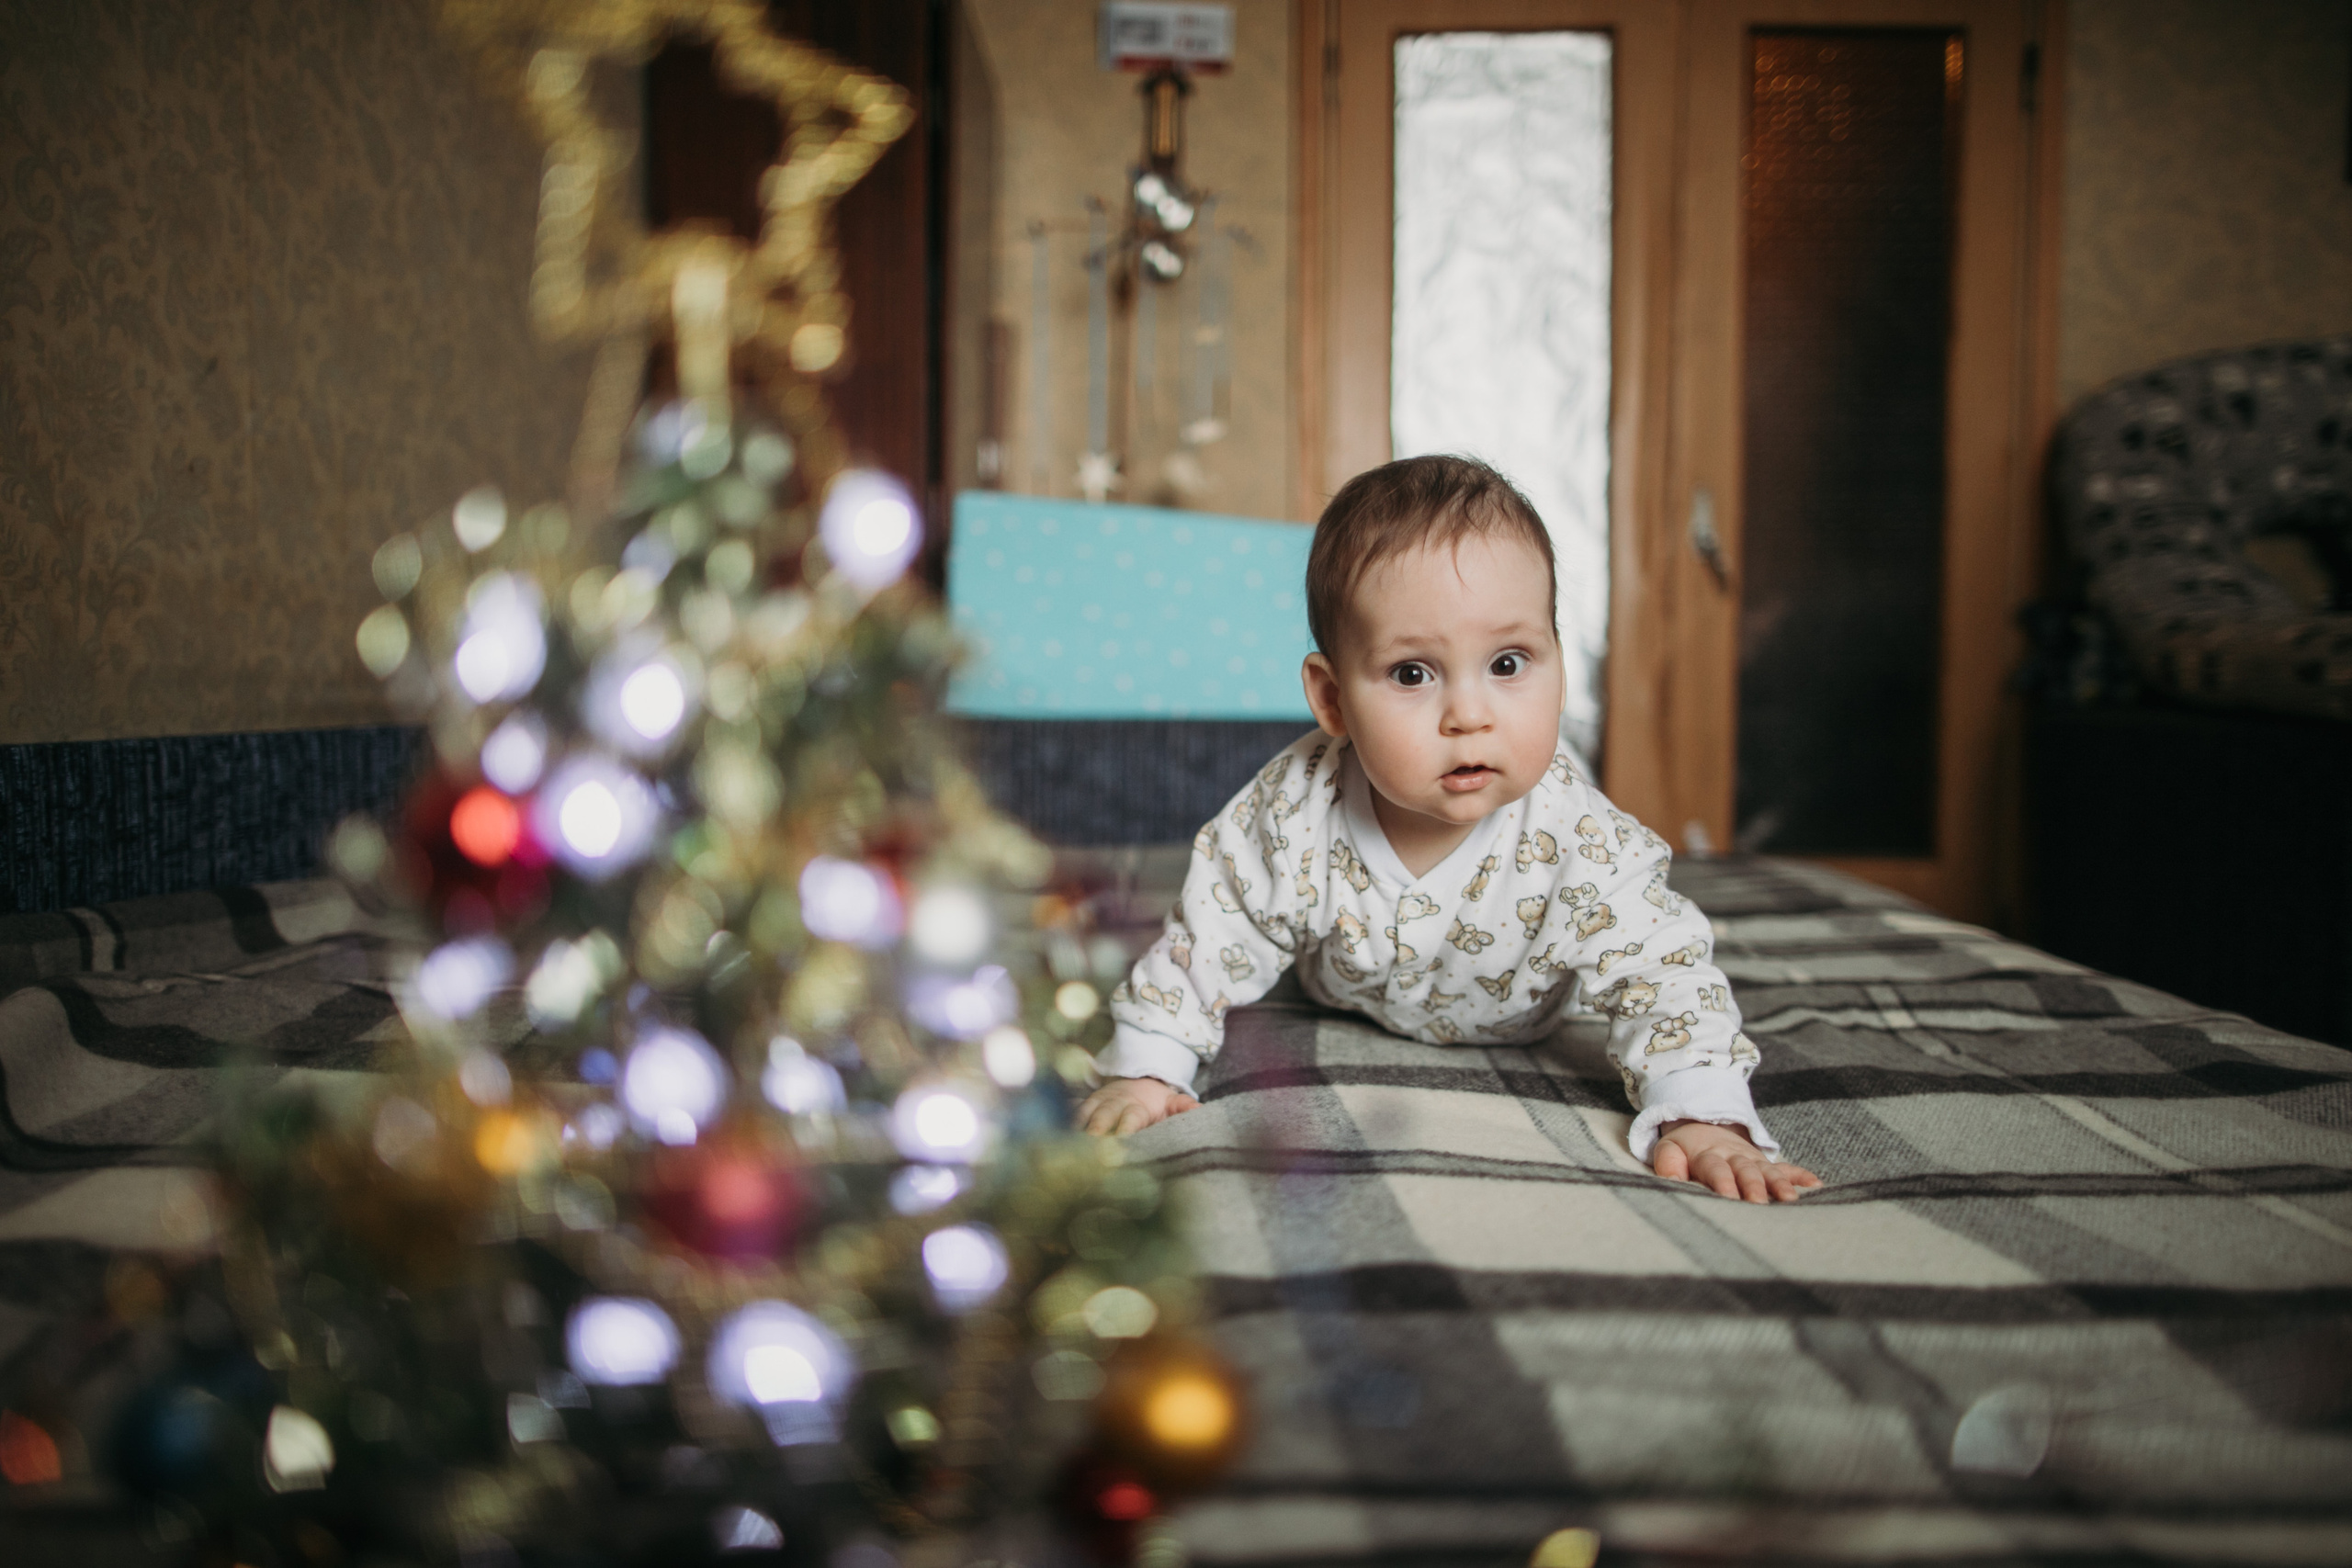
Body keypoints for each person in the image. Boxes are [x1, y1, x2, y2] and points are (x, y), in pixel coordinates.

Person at [1076, 455, 1821, 1204]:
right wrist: (1147, 1063)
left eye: (1508, 662)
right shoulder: (1295, 807)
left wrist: (1700, 1113)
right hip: (1341, 989)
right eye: (1411, 673)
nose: (1469, 713)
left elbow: (1665, 972)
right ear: (1333, 700)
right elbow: (1212, 926)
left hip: (1523, 1020)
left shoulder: (1579, 838)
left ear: (1560, 670)